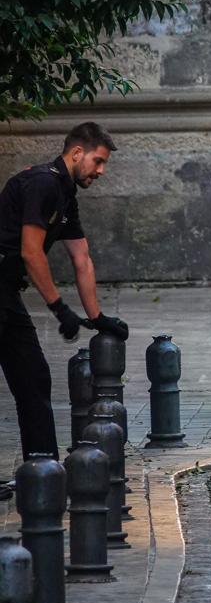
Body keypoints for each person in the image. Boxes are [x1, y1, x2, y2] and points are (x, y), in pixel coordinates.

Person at [0, 123, 128, 472]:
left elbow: (81, 258)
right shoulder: (43, 183)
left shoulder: (65, 194)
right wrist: (58, 307)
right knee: (30, 378)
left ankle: (43, 472)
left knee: (34, 378)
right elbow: (31, 252)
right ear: (76, 153)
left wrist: (97, 317)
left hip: (6, 292)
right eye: (98, 161)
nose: (100, 171)